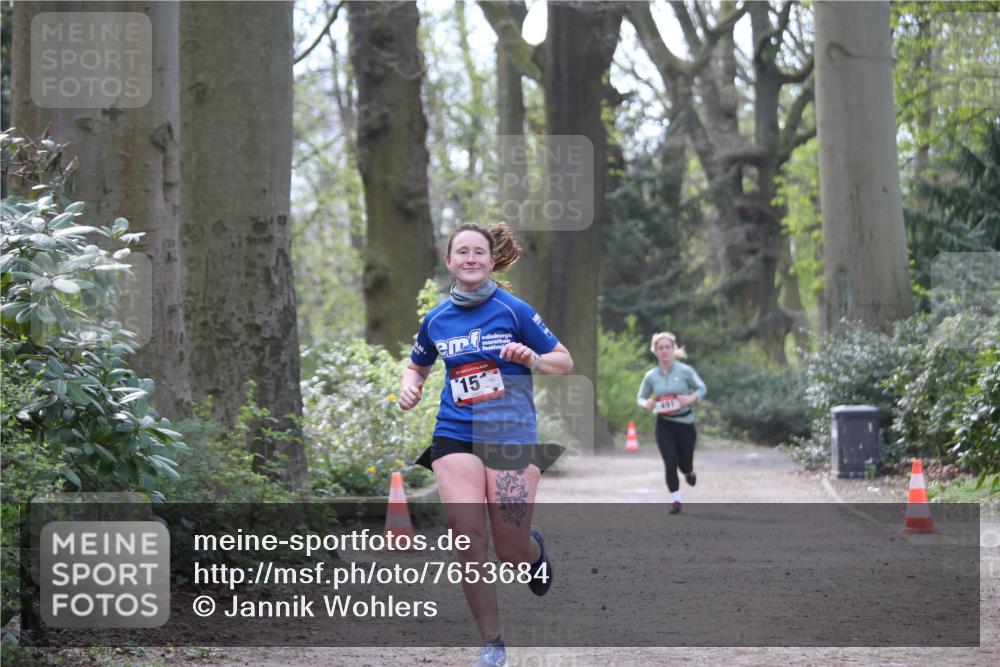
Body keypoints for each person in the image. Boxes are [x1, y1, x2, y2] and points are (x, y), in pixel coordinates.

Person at [398, 222, 573, 667]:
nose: (471, 258)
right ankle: (492, 643)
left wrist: (531, 357)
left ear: (492, 260)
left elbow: (563, 361)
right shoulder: (437, 319)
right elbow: (416, 364)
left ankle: (531, 550)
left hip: (509, 433)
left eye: (479, 252)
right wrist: (410, 387)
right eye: (463, 252)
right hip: (454, 432)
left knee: (509, 551)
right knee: (467, 537)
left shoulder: (514, 310)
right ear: (450, 261)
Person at [636, 331, 707, 515]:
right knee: (670, 462)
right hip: (664, 424)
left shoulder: (685, 371)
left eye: (668, 347)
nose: (664, 351)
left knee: (684, 463)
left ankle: (689, 471)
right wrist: (647, 403)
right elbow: (640, 397)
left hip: (685, 423)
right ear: (655, 351)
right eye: (660, 348)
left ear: (674, 349)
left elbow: (702, 388)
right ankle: (676, 499)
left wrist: (691, 398)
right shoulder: (651, 375)